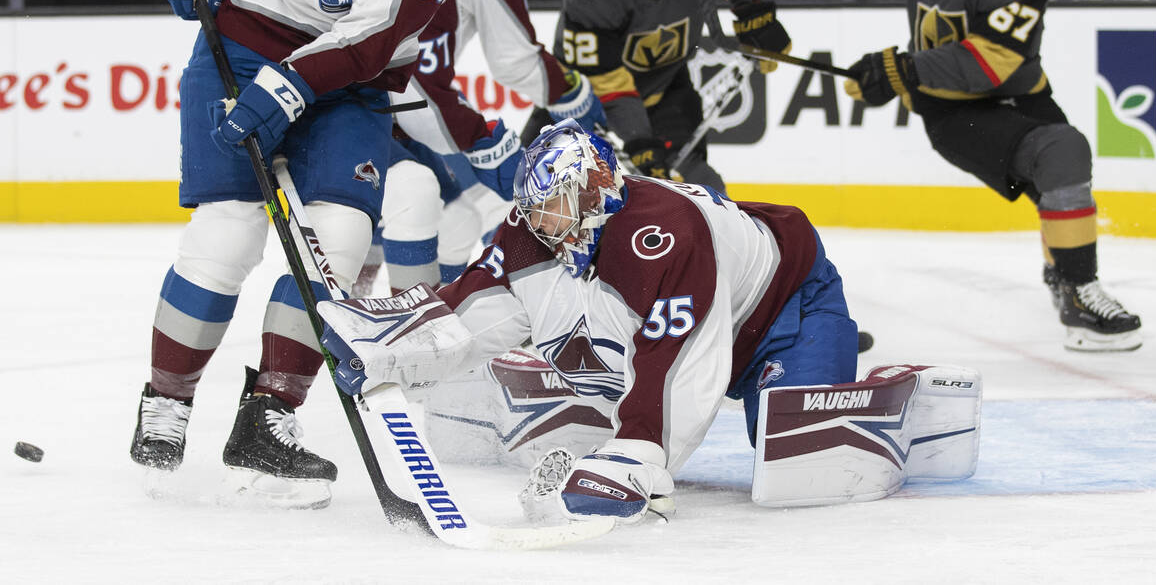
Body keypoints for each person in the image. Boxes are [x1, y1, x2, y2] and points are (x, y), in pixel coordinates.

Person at [129, 0, 493, 506]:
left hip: (348, 82)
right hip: (238, 40)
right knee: (228, 234)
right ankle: (166, 398)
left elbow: (378, 37)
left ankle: (268, 418)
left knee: (342, 240)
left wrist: (293, 85)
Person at [316, 121, 980, 520]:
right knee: (585, 363)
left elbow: (674, 364)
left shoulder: (663, 234)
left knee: (793, 452)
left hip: (785, 308)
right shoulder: (531, 229)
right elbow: (469, 300)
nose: (543, 224)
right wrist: (394, 349)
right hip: (703, 312)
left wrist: (640, 455)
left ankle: (903, 396)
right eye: (537, 207)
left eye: (556, 205)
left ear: (595, 186)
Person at [844, 0, 1142, 353]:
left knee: (1062, 166)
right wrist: (897, 78)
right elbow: (928, 35)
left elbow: (992, 61)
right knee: (1062, 152)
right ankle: (1078, 292)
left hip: (1018, 90)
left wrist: (903, 71)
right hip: (954, 112)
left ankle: (1066, 276)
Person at [359, 0, 606, 295]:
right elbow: (515, 60)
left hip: (363, 89)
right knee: (484, 204)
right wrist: (571, 94)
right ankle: (400, 320)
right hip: (395, 98)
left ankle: (415, 315)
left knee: (455, 217)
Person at [524, 0, 790, 193]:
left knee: (703, 190)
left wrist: (756, 16)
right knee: (533, 183)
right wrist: (640, 141)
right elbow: (608, 84)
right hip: (581, 102)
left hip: (666, 92)